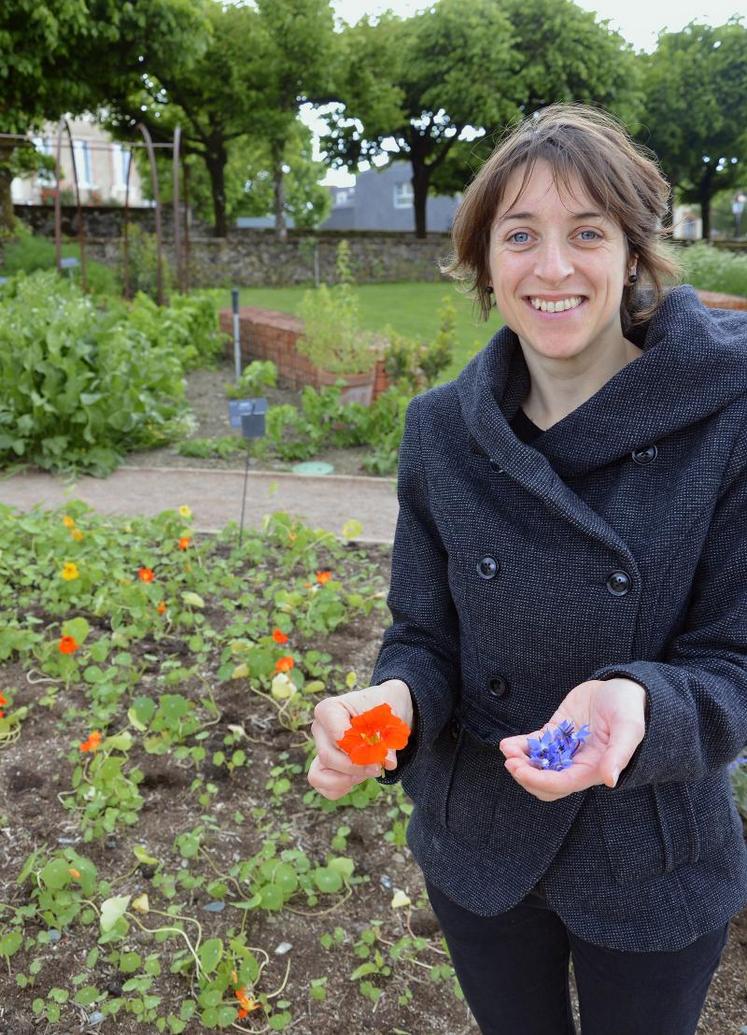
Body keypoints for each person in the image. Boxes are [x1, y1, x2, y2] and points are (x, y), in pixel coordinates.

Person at [307, 103, 747, 1035]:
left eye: (586, 232)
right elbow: (422, 636)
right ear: (483, 263)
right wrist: (383, 711)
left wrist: (639, 704)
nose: (552, 268)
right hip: (481, 842)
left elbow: (736, 660)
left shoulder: (728, 413)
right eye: (520, 236)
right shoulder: (438, 430)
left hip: (652, 849)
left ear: (633, 254)